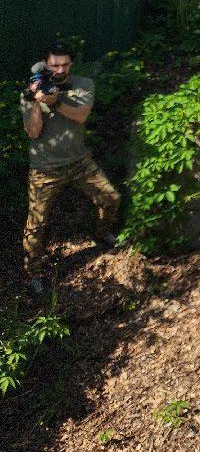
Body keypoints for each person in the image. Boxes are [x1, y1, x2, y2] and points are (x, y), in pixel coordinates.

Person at [21, 41, 120, 295]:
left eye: (65, 64)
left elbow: (81, 116)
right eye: (55, 64)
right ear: (46, 64)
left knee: (111, 198)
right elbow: (33, 132)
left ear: (71, 64)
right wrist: (35, 100)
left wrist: (54, 102)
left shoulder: (83, 85)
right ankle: (33, 276)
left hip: (79, 162)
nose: (60, 69)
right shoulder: (32, 90)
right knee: (36, 225)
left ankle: (102, 233)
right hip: (45, 170)